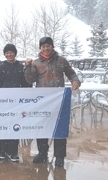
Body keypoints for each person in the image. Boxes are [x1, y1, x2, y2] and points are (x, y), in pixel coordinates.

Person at [24, 36, 81, 167]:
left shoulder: (61, 61)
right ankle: (42, 153)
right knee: (41, 126)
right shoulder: (36, 63)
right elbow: (29, 80)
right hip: (42, 100)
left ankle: (59, 156)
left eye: (48, 45)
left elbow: (71, 73)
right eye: (43, 46)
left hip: (58, 99)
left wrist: (75, 81)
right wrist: (27, 67)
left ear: (52, 46)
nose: (46, 48)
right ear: (40, 48)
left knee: (59, 127)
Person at [0, 44, 32, 162]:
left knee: (15, 126)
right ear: (4, 54)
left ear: (15, 53)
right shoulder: (0, 67)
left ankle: (13, 152)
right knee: (3, 125)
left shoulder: (20, 67)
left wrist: (28, 68)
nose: (9, 55)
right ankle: (2, 150)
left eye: (11, 52)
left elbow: (27, 83)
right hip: (3, 102)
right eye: (7, 53)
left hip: (17, 102)